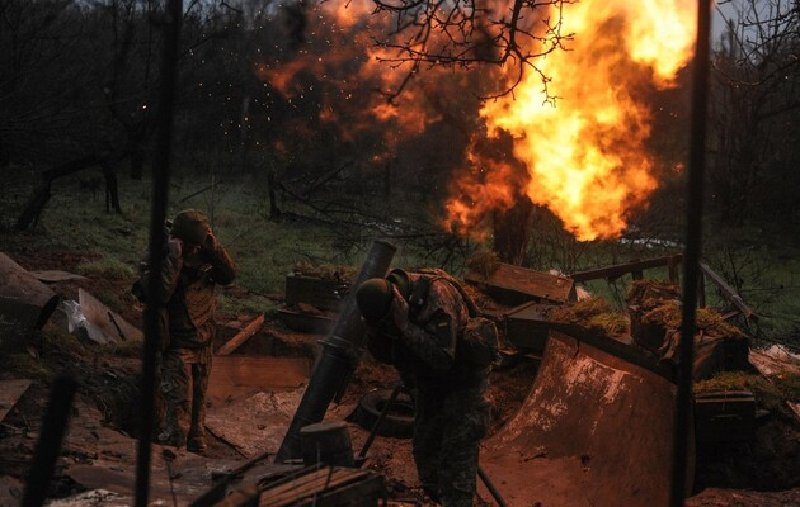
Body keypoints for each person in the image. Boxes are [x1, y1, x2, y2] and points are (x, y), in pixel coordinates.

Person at [355, 269, 495, 507]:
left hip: (464, 389)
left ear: (397, 302)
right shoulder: (384, 304)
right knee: (426, 456)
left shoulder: (438, 297)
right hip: (430, 388)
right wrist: (377, 334)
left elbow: (443, 358)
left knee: (456, 467)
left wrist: (405, 327)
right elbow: (386, 354)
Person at [135, 209, 236, 452]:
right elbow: (160, 294)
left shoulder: (205, 249)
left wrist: (214, 247)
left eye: (198, 245)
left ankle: (196, 439)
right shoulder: (161, 254)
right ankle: (174, 448)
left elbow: (229, 275)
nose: (195, 250)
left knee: (199, 398)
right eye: (192, 246)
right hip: (176, 340)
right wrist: (174, 258)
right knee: (177, 400)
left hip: (203, 335)